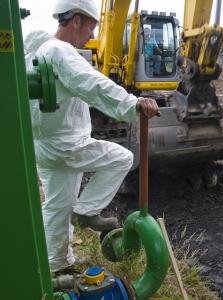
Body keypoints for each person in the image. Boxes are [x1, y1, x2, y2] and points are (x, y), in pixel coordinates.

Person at [24, 0, 159, 274]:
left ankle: (58, 265)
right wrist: (132, 104)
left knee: (57, 207)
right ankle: (86, 211)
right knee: (123, 157)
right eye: (91, 27)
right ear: (75, 21)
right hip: (65, 144)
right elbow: (91, 84)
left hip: (42, 146)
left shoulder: (38, 50)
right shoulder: (61, 51)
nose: (93, 35)